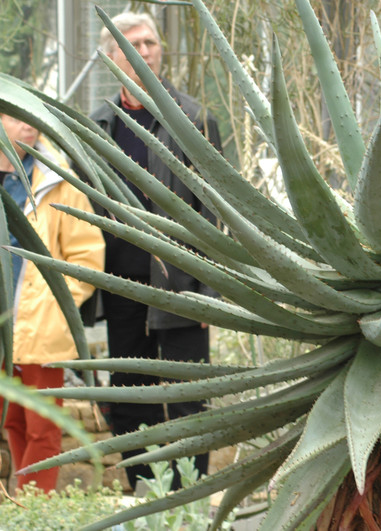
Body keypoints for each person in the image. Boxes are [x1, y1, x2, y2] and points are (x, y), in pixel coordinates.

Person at [91, 11, 222, 490]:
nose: (143, 51)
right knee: (127, 395)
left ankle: (190, 497)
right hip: (121, 283)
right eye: (131, 45)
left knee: (190, 395)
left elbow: (216, 212)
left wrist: (210, 288)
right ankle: (144, 495)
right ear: (111, 57)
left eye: (150, 42)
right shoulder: (99, 124)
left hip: (182, 284)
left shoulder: (195, 119)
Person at [0, 114, 105, 492]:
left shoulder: (58, 182)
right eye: (16, 116)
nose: (29, 124)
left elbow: (87, 258)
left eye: (32, 117)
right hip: (1, 330)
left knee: (42, 426)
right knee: (10, 421)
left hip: (40, 326)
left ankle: (34, 507)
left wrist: (57, 304)